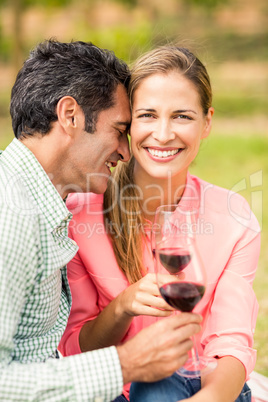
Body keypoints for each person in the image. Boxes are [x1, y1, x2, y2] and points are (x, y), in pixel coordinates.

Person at [0, 40, 203, 401]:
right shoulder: (12, 218)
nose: (126, 152)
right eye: (118, 129)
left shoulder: (41, 201)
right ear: (70, 116)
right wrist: (125, 364)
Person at [59, 45, 261, 402]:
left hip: (202, 387)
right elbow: (77, 349)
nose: (164, 134)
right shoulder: (78, 214)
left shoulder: (234, 218)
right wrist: (122, 306)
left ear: (207, 122)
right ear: (126, 123)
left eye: (182, 116)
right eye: (148, 115)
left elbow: (230, 344)